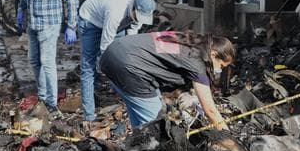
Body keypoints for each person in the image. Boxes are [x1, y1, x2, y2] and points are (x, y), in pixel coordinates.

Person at [99, 31, 234, 129]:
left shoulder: (188, 39)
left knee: (142, 119)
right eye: (221, 66)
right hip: (128, 67)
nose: (219, 70)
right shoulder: (197, 62)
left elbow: (171, 61)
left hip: (113, 52)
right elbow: (210, 110)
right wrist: (229, 139)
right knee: (156, 127)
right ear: (214, 54)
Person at [16, 0, 79, 114]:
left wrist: (71, 25)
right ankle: (42, 97)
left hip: (49, 22)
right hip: (33, 21)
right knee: (34, 61)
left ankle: (51, 103)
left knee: (47, 62)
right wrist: (21, 10)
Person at [78, 0, 156, 122]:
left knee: (122, 58)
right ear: (133, 9)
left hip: (116, 19)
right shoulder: (115, 13)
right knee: (88, 67)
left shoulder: (142, 7)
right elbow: (105, 47)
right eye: (138, 16)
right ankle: (89, 116)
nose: (139, 19)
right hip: (90, 20)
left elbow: (130, 39)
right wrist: (112, 69)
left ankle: (124, 102)